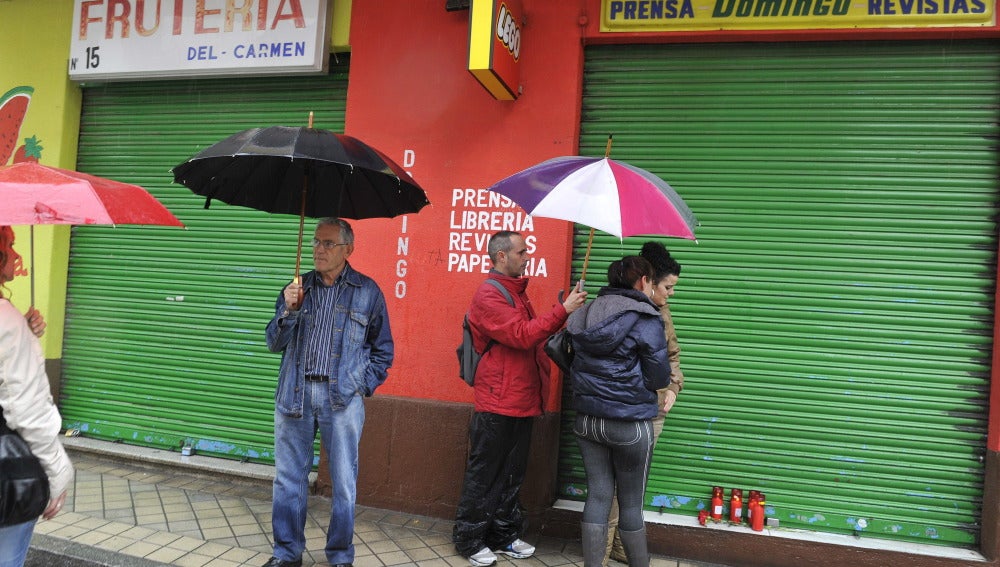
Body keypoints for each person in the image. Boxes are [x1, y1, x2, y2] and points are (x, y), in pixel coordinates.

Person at [262, 218, 394, 567]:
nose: (319, 249)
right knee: (288, 479)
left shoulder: (368, 292)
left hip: (342, 400)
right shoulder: (296, 288)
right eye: (317, 242)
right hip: (295, 394)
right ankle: (287, 554)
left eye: (328, 244)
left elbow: (383, 350)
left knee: (344, 482)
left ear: (348, 249)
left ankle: (339, 556)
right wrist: (288, 311)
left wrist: (360, 385)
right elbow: (273, 343)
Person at [453, 230, 587, 567]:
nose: (527, 257)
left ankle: (502, 535)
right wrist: (562, 310)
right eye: (522, 252)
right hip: (497, 401)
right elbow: (521, 335)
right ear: (501, 256)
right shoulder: (489, 295)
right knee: (485, 474)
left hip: (520, 399)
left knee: (512, 473)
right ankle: (469, 540)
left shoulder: (516, 292)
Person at [566, 256, 671, 567]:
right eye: (652, 281)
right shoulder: (647, 317)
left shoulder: (584, 311)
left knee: (597, 496)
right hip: (629, 425)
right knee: (630, 505)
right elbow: (658, 377)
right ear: (642, 282)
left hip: (587, 421)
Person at [604, 242, 684, 564]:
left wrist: (674, 387)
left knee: (634, 481)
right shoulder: (619, 310)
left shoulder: (662, 313)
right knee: (608, 483)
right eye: (668, 286)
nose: (672, 293)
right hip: (625, 408)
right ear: (647, 282)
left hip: (653, 411)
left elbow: (673, 355)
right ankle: (603, 546)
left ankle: (621, 545)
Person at [0, 226, 74, 567]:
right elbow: (26, 409)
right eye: (9, 246)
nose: (17, 255)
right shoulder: (7, 322)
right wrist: (59, 472)